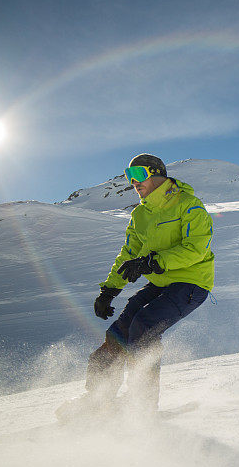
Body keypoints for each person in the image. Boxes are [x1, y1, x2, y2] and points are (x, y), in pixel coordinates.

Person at [57, 154, 214, 423]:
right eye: (129, 176)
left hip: (192, 282)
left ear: (158, 174)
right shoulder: (141, 214)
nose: (133, 182)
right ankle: (98, 399)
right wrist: (109, 290)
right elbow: (128, 253)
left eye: (139, 175)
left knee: (143, 325)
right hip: (161, 281)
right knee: (118, 333)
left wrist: (154, 262)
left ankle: (142, 404)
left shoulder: (188, 205)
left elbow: (196, 249)